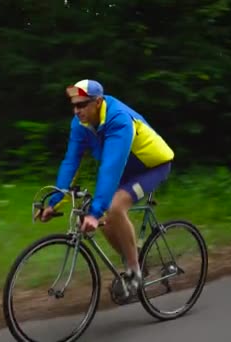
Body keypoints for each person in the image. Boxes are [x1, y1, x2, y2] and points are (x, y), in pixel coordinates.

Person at [39, 79, 174, 294]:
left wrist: (97, 210)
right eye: (74, 105)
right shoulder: (80, 124)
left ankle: (134, 272)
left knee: (114, 207)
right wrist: (54, 202)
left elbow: (110, 168)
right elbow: (71, 162)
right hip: (126, 170)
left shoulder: (118, 119)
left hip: (152, 167)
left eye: (82, 105)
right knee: (98, 218)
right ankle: (135, 260)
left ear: (98, 102)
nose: (76, 111)